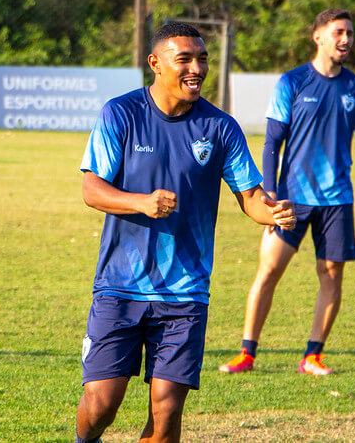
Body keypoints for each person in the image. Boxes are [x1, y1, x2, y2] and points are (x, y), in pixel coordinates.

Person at [75, 22, 295, 443]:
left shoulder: (220, 127)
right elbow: (91, 188)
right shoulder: (120, 114)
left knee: (167, 409)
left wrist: (272, 214)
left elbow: (250, 196)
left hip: (185, 291)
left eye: (203, 59)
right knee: (102, 404)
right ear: (155, 64)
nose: (197, 68)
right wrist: (141, 202)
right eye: (185, 59)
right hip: (119, 287)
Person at [219, 8, 355, 376]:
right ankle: (247, 353)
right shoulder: (292, 82)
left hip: (338, 200)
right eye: (339, 32)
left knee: (332, 274)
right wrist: (269, 195)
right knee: (269, 269)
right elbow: (273, 141)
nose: (346, 40)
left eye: (351, 34)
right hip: (291, 198)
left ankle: (312, 355)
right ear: (318, 36)